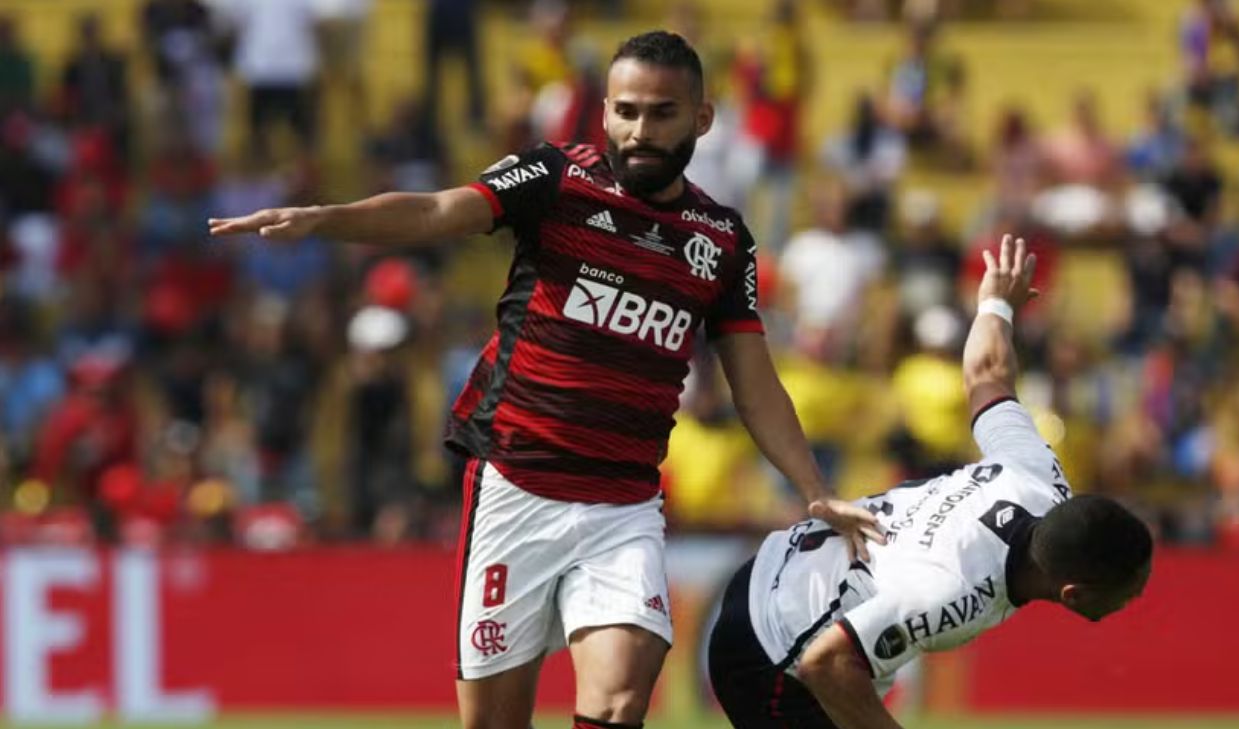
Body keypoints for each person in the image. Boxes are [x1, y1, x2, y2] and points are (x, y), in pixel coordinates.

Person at [209, 30, 882, 729]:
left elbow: (755, 381)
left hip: (623, 504)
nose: (639, 130)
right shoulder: (557, 180)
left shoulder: (720, 240)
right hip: (518, 487)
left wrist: (814, 489)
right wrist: (326, 219)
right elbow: (442, 210)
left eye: (661, 113)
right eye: (625, 111)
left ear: (702, 120)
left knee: (619, 698)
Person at [707, 235, 1154, 729]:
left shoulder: (1036, 476)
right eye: (1129, 592)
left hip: (779, 570)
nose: (1135, 599)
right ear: (1073, 593)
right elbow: (826, 664)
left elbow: (987, 376)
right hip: (771, 646)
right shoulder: (955, 591)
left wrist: (996, 304)